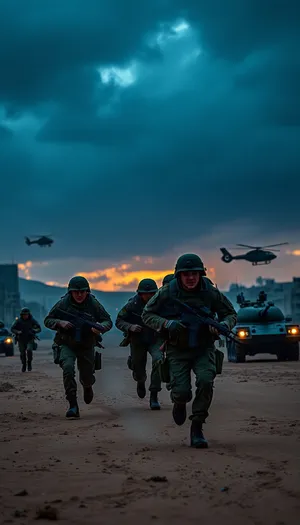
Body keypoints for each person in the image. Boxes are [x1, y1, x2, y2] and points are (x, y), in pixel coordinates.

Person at [142, 253, 237, 448]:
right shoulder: (168, 292)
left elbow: (230, 313)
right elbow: (147, 314)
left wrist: (223, 325)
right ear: (179, 275)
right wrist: (166, 323)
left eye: (194, 273)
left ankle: (197, 426)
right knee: (182, 392)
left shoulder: (209, 292)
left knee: (205, 381)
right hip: (177, 349)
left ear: (201, 274)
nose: (191, 278)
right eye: (186, 274)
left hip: (203, 347)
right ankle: (179, 402)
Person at [44, 276, 112, 418]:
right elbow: (48, 320)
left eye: (82, 292)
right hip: (66, 343)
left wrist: (100, 328)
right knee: (68, 369)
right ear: (70, 292)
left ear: (87, 292)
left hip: (86, 344)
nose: (79, 295)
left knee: (87, 376)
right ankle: (73, 404)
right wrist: (59, 323)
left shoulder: (93, 303)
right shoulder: (63, 304)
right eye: (76, 292)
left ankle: (87, 386)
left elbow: (107, 320)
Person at [115, 278, 162, 410]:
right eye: (146, 293)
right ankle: (140, 381)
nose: (149, 296)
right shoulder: (132, 305)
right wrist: (130, 327)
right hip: (138, 340)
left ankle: (154, 394)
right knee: (138, 367)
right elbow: (119, 320)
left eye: (152, 293)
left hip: (155, 339)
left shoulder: (161, 304)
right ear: (140, 294)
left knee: (159, 361)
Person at [11, 308, 41, 372]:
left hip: (29, 339)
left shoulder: (32, 320)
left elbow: (39, 328)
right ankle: (24, 364)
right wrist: (18, 332)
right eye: (24, 315)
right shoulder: (18, 321)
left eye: (26, 314)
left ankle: (29, 363)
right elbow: (12, 329)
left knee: (29, 350)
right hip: (21, 339)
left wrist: (33, 331)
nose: (25, 316)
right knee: (22, 353)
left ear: (28, 314)